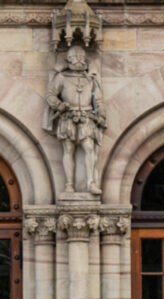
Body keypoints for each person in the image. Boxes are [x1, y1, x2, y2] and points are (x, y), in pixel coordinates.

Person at [42, 44, 106, 194]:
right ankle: (69, 185)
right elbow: (50, 95)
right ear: (69, 59)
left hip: (87, 117)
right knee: (68, 150)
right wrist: (58, 104)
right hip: (67, 117)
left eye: (81, 57)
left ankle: (91, 183)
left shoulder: (90, 79)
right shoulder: (61, 77)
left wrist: (101, 115)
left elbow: (99, 100)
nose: (78, 60)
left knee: (89, 148)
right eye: (75, 57)